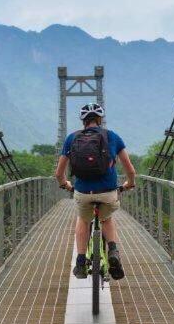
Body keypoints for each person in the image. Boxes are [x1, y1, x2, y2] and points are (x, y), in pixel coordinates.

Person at [55, 103, 136, 280]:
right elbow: (130, 170)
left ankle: (81, 262)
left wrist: (66, 185)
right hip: (108, 191)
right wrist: (129, 183)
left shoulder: (71, 138)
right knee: (106, 217)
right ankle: (113, 250)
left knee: (84, 219)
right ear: (100, 119)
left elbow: (59, 173)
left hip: (83, 192)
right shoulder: (112, 136)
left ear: (83, 120)